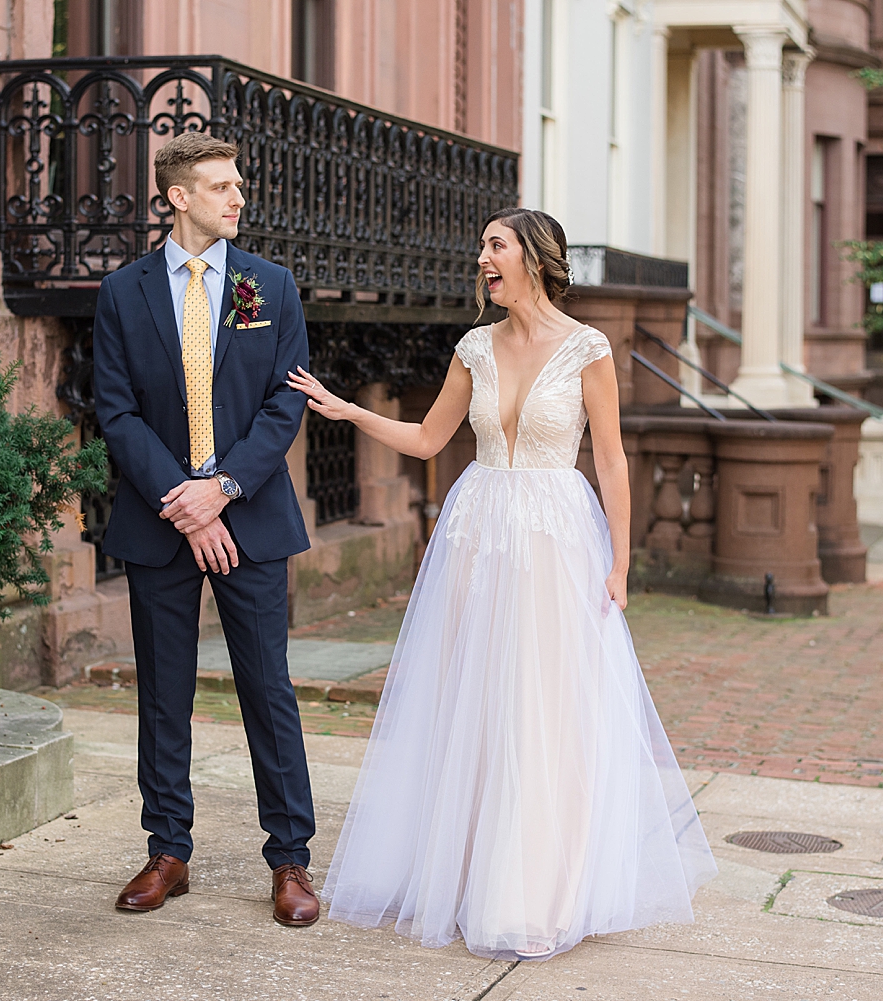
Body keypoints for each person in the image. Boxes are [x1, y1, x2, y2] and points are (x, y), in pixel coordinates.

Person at [287, 208, 717, 960]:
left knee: (546, 709)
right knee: (476, 700)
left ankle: (535, 890)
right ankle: (467, 873)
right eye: (482, 246)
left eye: (495, 245)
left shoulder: (589, 347)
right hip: (478, 534)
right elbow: (428, 440)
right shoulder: (473, 347)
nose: (481, 257)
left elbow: (611, 460)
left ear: (536, 259)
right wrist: (349, 410)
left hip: (556, 539)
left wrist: (620, 563)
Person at [93, 131, 321, 927]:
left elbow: (284, 404)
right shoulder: (123, 292)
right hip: (160, 524)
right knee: (164, 691)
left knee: (268, 688)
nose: (238, 198)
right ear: (178, 197)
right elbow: (115, 410)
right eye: (221, 187)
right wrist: (182, 500)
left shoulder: (272, 286)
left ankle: (290, 858)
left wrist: (219, 491)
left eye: (239, 185)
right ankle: (168, 851)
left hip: (249, 519)